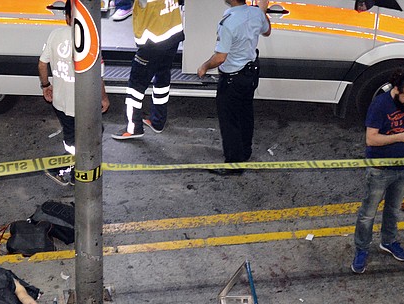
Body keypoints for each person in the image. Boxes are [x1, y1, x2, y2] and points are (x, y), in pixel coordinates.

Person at [351, 71, 404, 274]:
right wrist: (401, 137)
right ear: (396, 89)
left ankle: (389, 241)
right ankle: (361, 249)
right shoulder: (380, 105)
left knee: (393, 210)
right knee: (368, 214)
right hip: (380, 168)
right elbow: (371, 139)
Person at [38, 0, 110, 185]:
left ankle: (69, 167)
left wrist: (45, 86)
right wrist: (103, 98)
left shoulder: (55, 35)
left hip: (60, 103)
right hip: (84, 105)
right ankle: (73, 172)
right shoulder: (90, 41)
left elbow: (42, 64)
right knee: (92, 133)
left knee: (70, 138)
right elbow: (98, 76)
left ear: (67, 17)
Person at [197, 0, 270, 176]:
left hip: (232, 79)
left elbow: (221, 57)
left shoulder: (228, 22)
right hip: (250, 73)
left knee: (229, 121)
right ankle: (245, 151)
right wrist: (262, 10)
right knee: (246, 114)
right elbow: (267, 31)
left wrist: (204, 67)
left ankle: (233, 164)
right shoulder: (256, 13)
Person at [111, 0, 184, 140]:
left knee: (135, 86)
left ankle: (133, 128)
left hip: (152, 42)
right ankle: (158, 121)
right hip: (173, 35)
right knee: (162, 78)